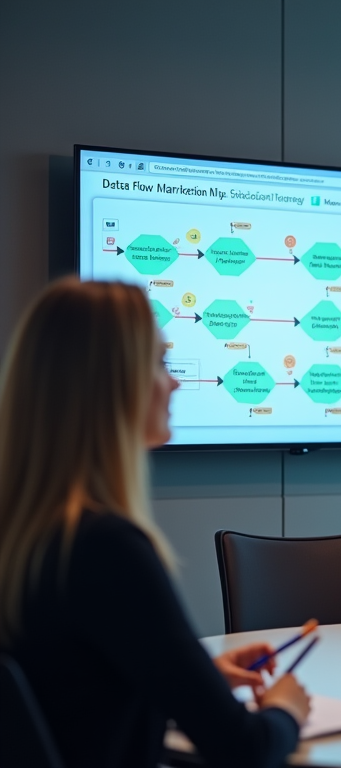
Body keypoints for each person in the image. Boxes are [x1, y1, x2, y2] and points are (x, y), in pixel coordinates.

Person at [0, 279, 310, 767]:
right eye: (160, 363)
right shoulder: (106, 549)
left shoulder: (27, 536)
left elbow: (73, 696)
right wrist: (286, 711)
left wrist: (194, 676)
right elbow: (242, 750)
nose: (176, 382)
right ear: (112, 385)